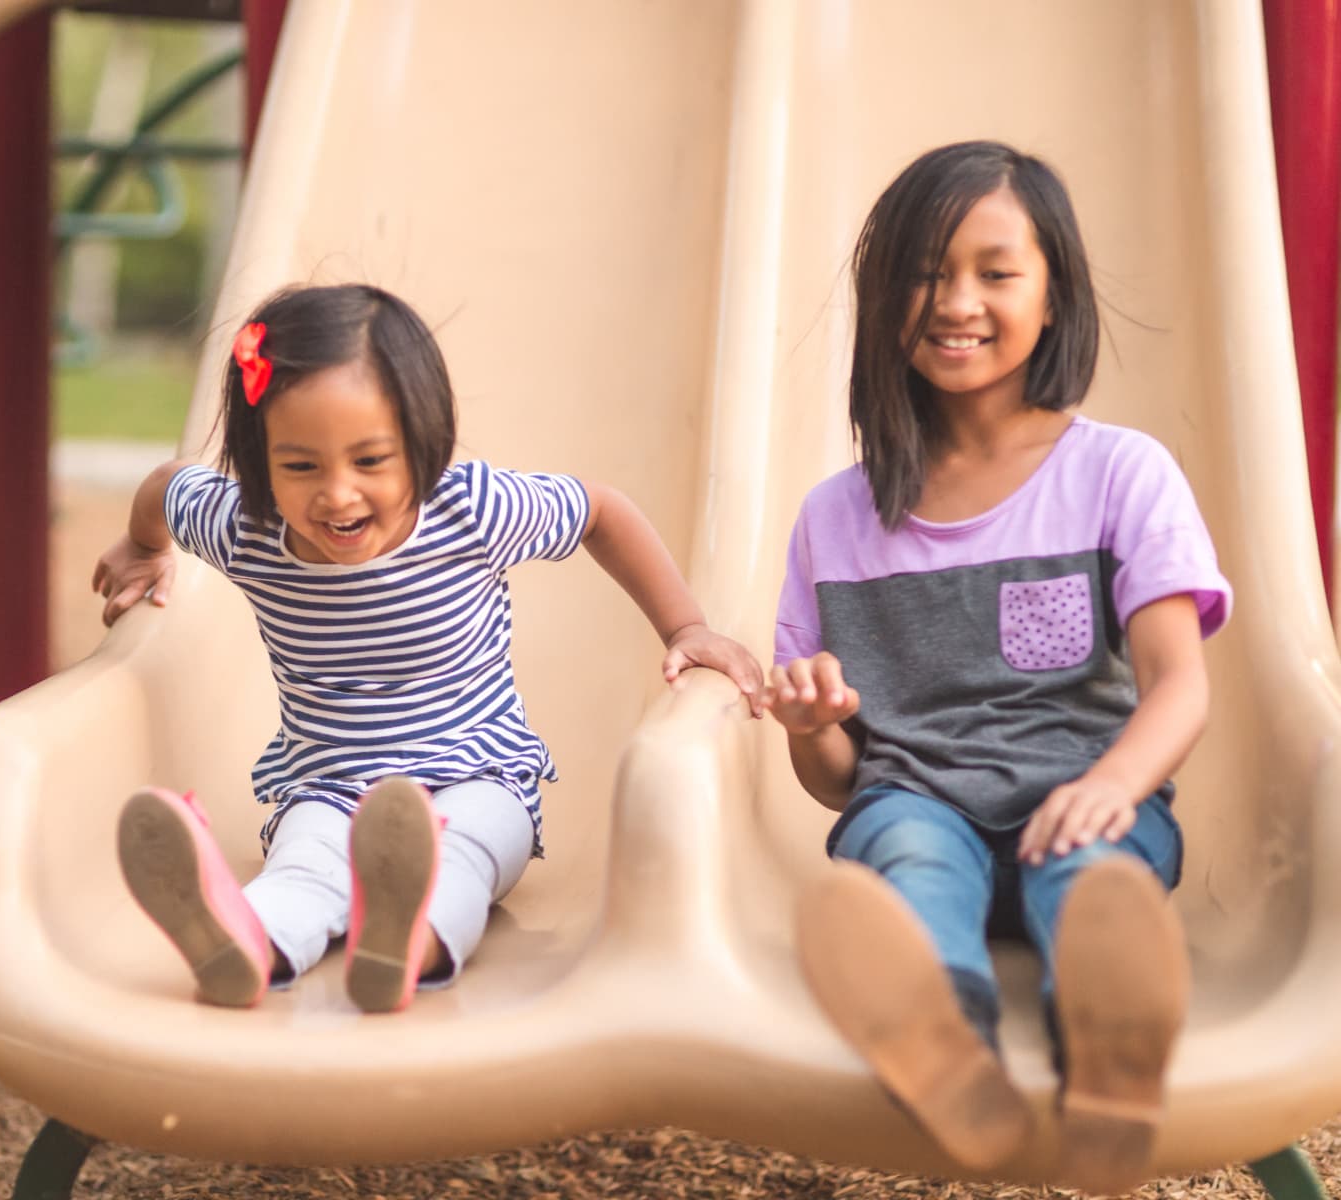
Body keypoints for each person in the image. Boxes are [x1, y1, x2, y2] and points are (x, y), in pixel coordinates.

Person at [94, 282, 764, 1017]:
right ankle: (242, 942)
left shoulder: (468, 510)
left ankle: (404, 937)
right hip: (328, 786)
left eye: (371, 460)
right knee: (304, 864)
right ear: (259, 463)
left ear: (424, 440)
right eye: (302, 467)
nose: (338, 495)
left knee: (467, 853)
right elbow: (167, 488)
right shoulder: (247, 527)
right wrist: (140, 548)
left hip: (482, 774)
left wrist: (685, 629)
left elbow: (600, 511)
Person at [764, 141, 1230, 1192]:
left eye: (993, 270)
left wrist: (1113, 784)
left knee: (1087, 873)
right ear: (883, 298)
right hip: (914, 798)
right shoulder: (835, 519)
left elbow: (1177, 684)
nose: (954, 299)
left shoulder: (1119, 474)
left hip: (1080, 792)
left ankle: (1110, 1056)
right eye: (923, 272)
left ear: (1053, 294)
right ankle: (942, 1051)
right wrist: (811, 724)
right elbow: (838, 778)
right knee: (910, 856)